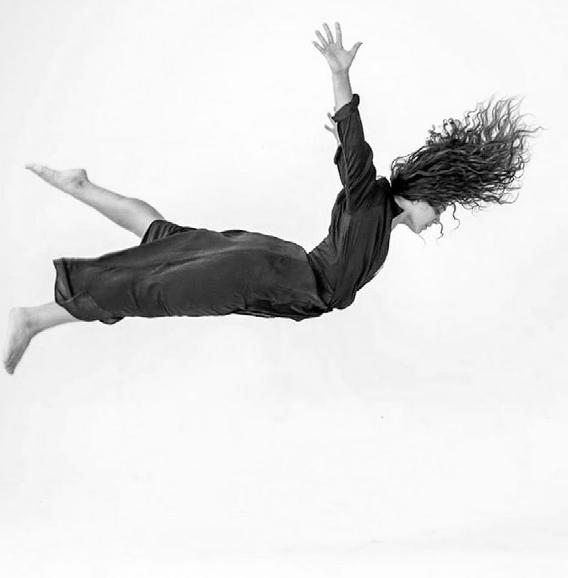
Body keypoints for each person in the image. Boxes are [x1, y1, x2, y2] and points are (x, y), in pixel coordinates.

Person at [3, 22, 542, 375]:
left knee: (166, 241)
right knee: (150, 289)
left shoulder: (376, 214)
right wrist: (340, 78)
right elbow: (356, 148)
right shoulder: (372, 202)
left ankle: (83, 187)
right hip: (260, 274)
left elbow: (349, 164)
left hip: (265, 267)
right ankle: (32, 318)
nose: (438, 219)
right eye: (440, 207)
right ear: (423, 196)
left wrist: (341, 148)